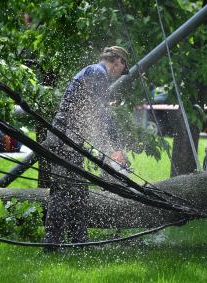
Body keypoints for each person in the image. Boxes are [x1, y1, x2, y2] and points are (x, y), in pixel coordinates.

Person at [43, 46, 130, 250]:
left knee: (78, 193)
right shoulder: (97, 73)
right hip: (65, 139)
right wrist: (115, 148)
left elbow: (92, 117)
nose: (120, 74)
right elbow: (101, 115)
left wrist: (106, 149)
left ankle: (79, 242)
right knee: (63, 190)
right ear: (117, 61)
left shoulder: (93, 73)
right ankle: (52, 244)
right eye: (122, 68)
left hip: (70, 140)